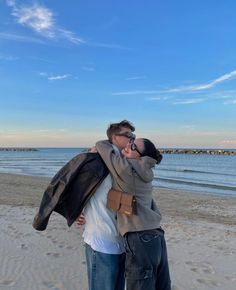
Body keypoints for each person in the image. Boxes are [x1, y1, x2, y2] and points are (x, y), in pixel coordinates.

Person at [95, 138, 171, 290]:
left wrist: (115, 140)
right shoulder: (147, 169)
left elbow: (101, 146)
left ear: (140, 156)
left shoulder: (126, 168)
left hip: (140, 237)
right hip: (157, 236)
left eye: (133, 145)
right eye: (130, 141)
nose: (128, 144)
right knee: (161, 285)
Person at [79, 120, 136, 290]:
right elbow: (75, 186)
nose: (132, 139)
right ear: (114, 137)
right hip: (101, 241)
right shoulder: (97, 160)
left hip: (122, 242)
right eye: (128, 135)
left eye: (134, 135)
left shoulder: (126, 163)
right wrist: (75, 211)